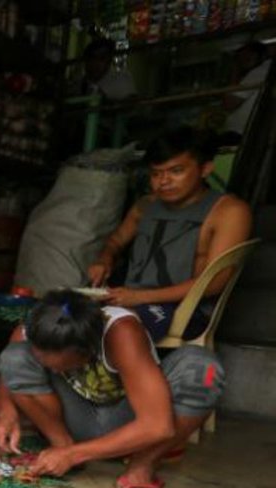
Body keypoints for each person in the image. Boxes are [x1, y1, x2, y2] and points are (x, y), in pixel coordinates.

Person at [0, 290, 224, 488]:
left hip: (131, 424)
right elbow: (9, 370)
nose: (46, 365)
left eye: (56, 361)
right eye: (40, 356)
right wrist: (6, 412)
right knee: (15, 356)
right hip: (75, 419)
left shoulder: (121, 332)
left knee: (204, 368)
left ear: (86, 350)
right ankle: (60, 444)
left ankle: (143, 465)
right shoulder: (34, 330)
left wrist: (72, 456)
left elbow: (158, 426)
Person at [88, 127, 252, 340]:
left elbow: (213, 283)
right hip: (129, 300)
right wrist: (104, 259)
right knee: (57, 312)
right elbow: (117, 240)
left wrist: (139, 297)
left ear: (205, 169)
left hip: (184, 311)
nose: (163, 181)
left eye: (176, 171)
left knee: (107, 328)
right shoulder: (146, 205)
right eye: (156, 173)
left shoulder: (228, 211)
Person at [223, 41, 271, 137]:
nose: (243, 62)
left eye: (248, 58)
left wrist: (234, 74)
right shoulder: (265, 70)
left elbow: (229, 103)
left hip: (241, 133)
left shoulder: (260, 71)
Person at [79, 37, 137, 102]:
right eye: (92, 58)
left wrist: (105, 101)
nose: (96, 63)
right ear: (86, 61)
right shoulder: (77, 84)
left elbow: (130, 104)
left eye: (102, 58)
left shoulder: (121, 79)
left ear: (109, 61)